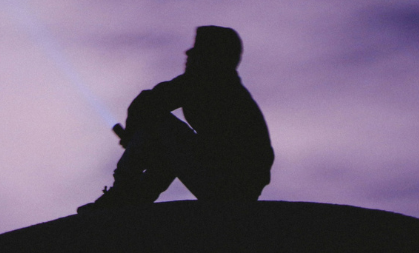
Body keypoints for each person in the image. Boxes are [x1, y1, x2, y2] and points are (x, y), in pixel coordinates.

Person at [78, 26, 274, 211]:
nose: (188, 55)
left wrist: (132, 137)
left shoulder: (209, 81)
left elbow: (147, 103)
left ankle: (123, 193)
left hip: (230, 185)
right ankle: (130, 197)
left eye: (197, 51)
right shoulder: (221, 85)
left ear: (212, 56)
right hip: (231, 182)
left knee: (159, 126)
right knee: (165, 143)